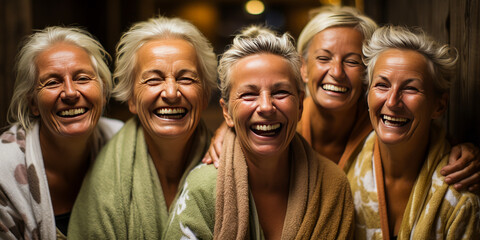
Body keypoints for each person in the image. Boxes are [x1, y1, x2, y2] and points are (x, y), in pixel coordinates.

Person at [204, 6, 480, 192]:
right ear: (303, 66)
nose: (336, 73)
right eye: (324, 58)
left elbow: (428, 139)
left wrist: (465, 150)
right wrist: (227, 132)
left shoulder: (384, 120)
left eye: (352, 61)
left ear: (368, 73)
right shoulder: (281, 120)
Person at [164, 26, 354, 239]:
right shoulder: (203, 187)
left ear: (300, 104)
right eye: (249, 94)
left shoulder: (332, 186)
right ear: (227, 112)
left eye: (280, 92)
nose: (266, 106)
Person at [67, 16, 217, 239]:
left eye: (185, 78)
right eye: (153, 80)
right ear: (132, 100)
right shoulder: (105, 180)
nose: (171, 93)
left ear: (205, 96)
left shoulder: (228, 161)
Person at [348, 25, 480, 239]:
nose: (392, 101)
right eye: (382, 85)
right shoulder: (348, 168)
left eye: (410, 88)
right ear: (367, 94)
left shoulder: (461, 200)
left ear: (439, 105)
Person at [0, 26, 123, 239]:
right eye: (52, 82)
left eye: (82, 78)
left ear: (103, 93)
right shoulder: (4, 170)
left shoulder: (122, 139)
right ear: (33, 103)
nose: (70, 92)